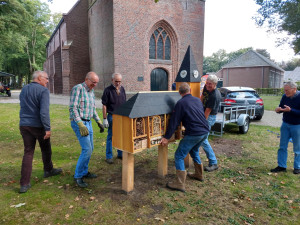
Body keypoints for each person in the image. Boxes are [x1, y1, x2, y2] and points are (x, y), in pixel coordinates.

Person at [161, 82, 209, 192]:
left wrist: (166, 137)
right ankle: (199, 174)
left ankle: (180, 183)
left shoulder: (180, 103)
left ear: (179, 93)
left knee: (179, 155)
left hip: (194, 133)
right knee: (194, 151)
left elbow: (174, 122)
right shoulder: (197, 100)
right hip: (205, 131)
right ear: (190, 90)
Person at [19, 71, 62, 193]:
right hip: (37, 126)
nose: (48, 81)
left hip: (24, 125)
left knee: (28, 152)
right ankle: (48, 170)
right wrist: (47, 128)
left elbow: (23, 106)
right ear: (39, 78)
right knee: (46, 148)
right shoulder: (43, 91)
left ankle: (24, 184)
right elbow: (44, 112)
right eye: (46, 78)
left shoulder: (24, 89)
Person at [69, 71, 104, 188]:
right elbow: (73, 108)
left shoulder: (91, 91)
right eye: (93, 82)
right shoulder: (78, 89)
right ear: (86, 79)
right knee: (87, 149)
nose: (95, 85)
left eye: (96, 83)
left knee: (91, 148)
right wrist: (80, 123)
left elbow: (93, 109)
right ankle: (78, 176)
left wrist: (98, 121)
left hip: (88, 122)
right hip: (79, 123)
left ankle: (84, 171)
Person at [271, 81, 300, 174]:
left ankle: (297, 167)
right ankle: (281, 166)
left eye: (287, 90)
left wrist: (291, 110)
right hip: (285, 124)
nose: (285, 92)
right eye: (284, 90)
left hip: (297, 126)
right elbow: (281, 108)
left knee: (297, 148)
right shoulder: (284, 97)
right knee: (282, 146)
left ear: (294, 89)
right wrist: (278, 110)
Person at [101, 73, 126, 164]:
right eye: (116, 81)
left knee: (120, 136)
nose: (118, 83)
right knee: (110, 137)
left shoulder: (122, 89)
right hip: (112, 116)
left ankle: (120, 153)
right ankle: (109, 156)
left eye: (119, 81)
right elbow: (104, 106)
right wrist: (104, 118)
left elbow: (124, 103)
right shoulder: (107, 90)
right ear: (112, 80)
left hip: (121, 117)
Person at [200, 75, 221, 172]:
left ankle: (213, 163)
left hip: (209, 118)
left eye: (210, 84)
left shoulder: (214, 96)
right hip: (204, 114)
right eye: (207, 83)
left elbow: (207, 112)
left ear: (215, 84)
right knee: (200, 139)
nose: (208, 85)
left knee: (203, 139)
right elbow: (202, 97)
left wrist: (201, 123)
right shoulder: (206, 87)